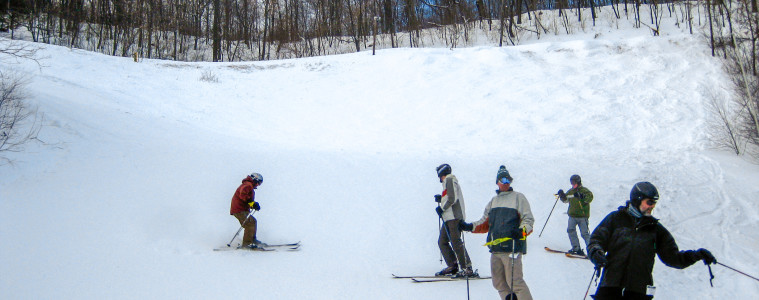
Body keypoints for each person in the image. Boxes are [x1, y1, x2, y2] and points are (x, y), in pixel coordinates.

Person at [587, 181, 717, 300]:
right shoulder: (615, 219)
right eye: (649, 202)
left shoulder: (655, 230)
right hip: (610, 285)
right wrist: (596, 252)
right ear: (637, 200)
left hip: (638, 290)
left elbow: (673, 258)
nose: (653, 206)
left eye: (654, 202)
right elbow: (596, 239)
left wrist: (696, 255)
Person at [460, 165, 534, 300]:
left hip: (512, 249)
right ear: (497, 182)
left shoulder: (518, 197)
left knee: (516, 283)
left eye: (508, 180)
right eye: (503, 180)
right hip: (496, 249)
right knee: (498, 283)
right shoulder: (494, 201)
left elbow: (528, 220)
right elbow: (484, 223)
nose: (506, 182)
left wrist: (521, 231)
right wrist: (469, 226)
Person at [433, 163, 475, 277]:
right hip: (448, 218)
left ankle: (467, 268)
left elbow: (452, 198)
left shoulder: (449, 179)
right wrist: (441, 199)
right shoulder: (448, 182)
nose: (439, 179)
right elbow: (449, 197)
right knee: (442, 241)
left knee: (456, 242)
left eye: (439, 175)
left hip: (453, 217)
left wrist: (442, 208)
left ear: (442, 173)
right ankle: (453, 265)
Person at [557, 174, 594, 256]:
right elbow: (566, 200)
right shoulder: (571, 191)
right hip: (572, 216)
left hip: (582, 216)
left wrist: (582, 197)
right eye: (571, 183)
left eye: (574, 182)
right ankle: (576, 248)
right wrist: (562, 196)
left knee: (584, 234)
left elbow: (590, 198)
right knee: (570, 230)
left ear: (578, 182)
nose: (572, 184)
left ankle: (592, 251)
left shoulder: (584, 190)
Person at [229, 172, 264, 249]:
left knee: (253, 221)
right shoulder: (247, 185)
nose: (258, 185)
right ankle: (247, 244)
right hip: (239, 209)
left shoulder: (249, 185)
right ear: (255, 180)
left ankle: (252, 240)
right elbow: (243, 195)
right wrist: (252, 203)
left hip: (241, 209)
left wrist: (253, 205)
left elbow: (247, 199)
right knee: (249, 223)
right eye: (258, 183)